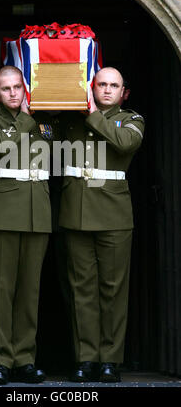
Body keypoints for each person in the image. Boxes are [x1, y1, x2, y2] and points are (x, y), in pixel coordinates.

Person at [59, 67, 145, 383]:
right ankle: (86, 358)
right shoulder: (70, 119)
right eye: (101, 84)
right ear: (91, 87)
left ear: (124, 93)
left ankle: (110, 359)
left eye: (114, 85)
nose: (107, 89)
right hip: (77, 213)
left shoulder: (132, 120)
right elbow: (43, 138)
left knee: (112, 291)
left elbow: (124, 144)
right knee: (81, 291)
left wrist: (93, 114)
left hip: (113, 215)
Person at [0, 66, 52, 385]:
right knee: (2, 289)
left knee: (28, 292)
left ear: (25, 88)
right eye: (5, 88)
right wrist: (26, 117)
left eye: (17, 87)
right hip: (4, 211)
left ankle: (24, 358)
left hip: (36, 212)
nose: (11, 93)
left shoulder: (41, 119)